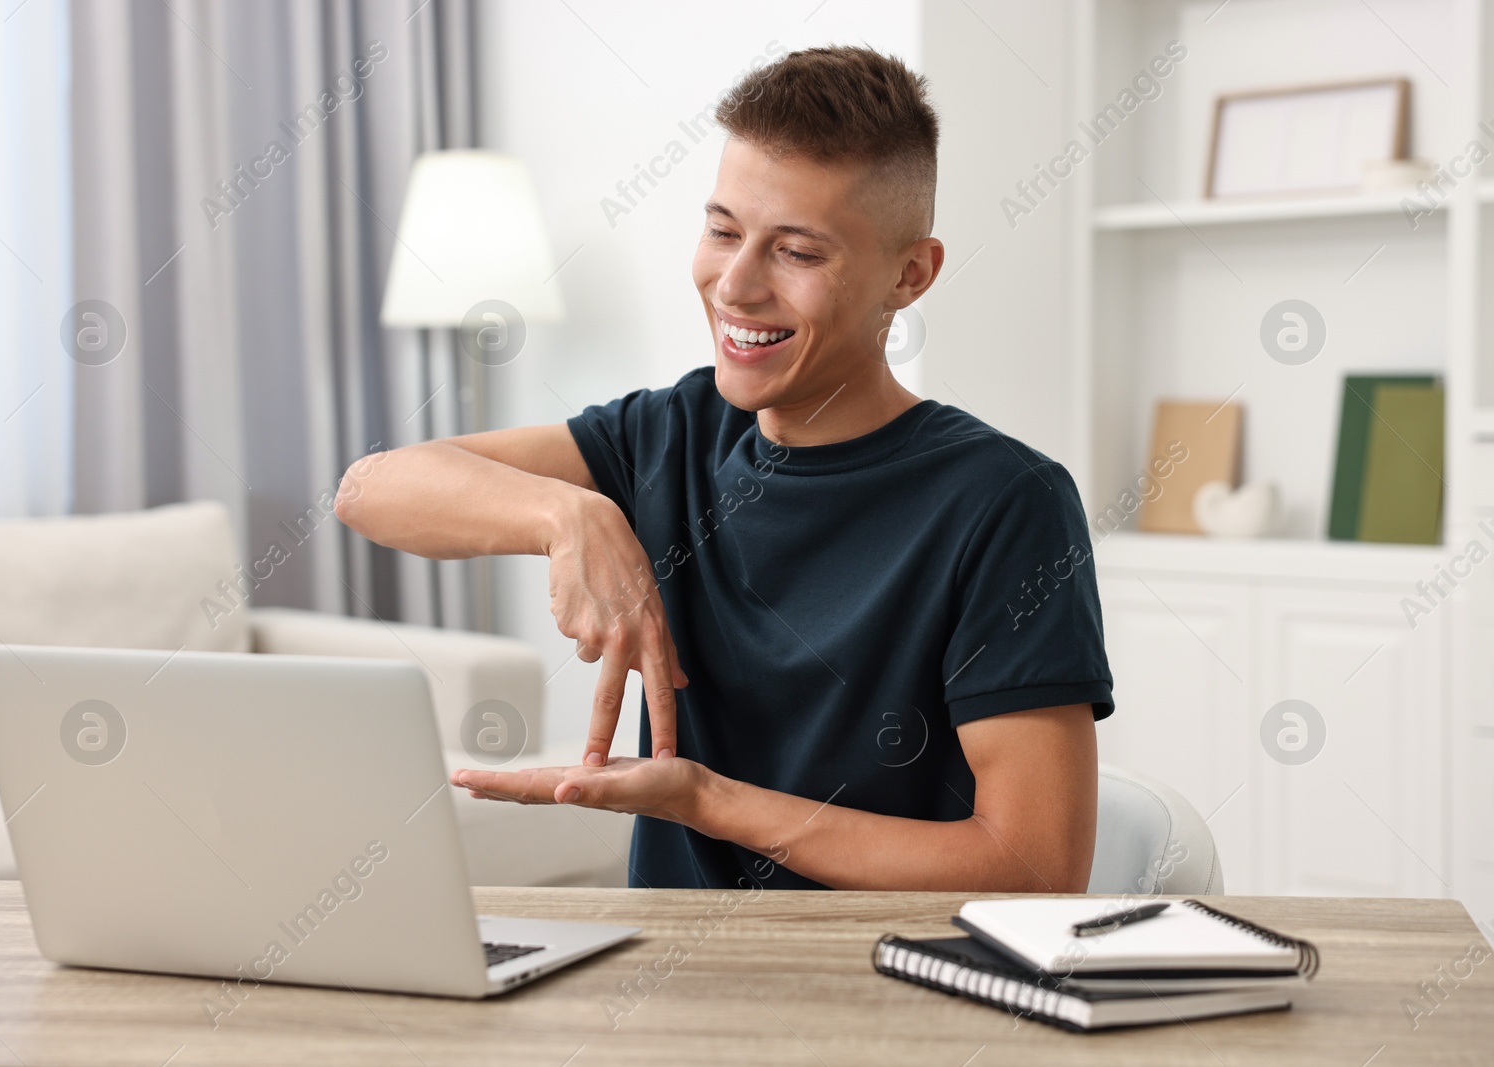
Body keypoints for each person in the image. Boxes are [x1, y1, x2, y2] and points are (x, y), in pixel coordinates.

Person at [336, 46, 1113, 892]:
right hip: (666, 997)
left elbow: (1034, 869)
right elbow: (371, 489)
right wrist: (568, 516)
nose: (734, 286)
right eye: (722, 230)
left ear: (909, 274)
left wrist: (706, 799)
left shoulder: (1005, 504)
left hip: (888, 995)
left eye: (798, 253)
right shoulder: (670, 430)